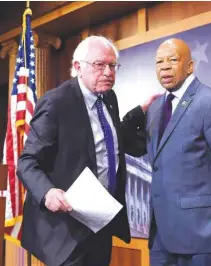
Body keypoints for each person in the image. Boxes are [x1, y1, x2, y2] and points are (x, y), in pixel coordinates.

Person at [17, 36, 158, 266]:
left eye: (112, 65)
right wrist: (47, 193)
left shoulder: (108, 97)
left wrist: (139, 113)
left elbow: (111, 140)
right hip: (66, 231)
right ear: (77, 67)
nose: (108, 72)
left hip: (100, 224)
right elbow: (27, 161)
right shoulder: (56, 102)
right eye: (99, 65)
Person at [146, 38, 211, 266]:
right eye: (159, 62)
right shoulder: (154, 109)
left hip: (203, 237)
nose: (164, 66)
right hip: (161, 239)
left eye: (172, 60)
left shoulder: (210, 102)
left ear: (190, 66)